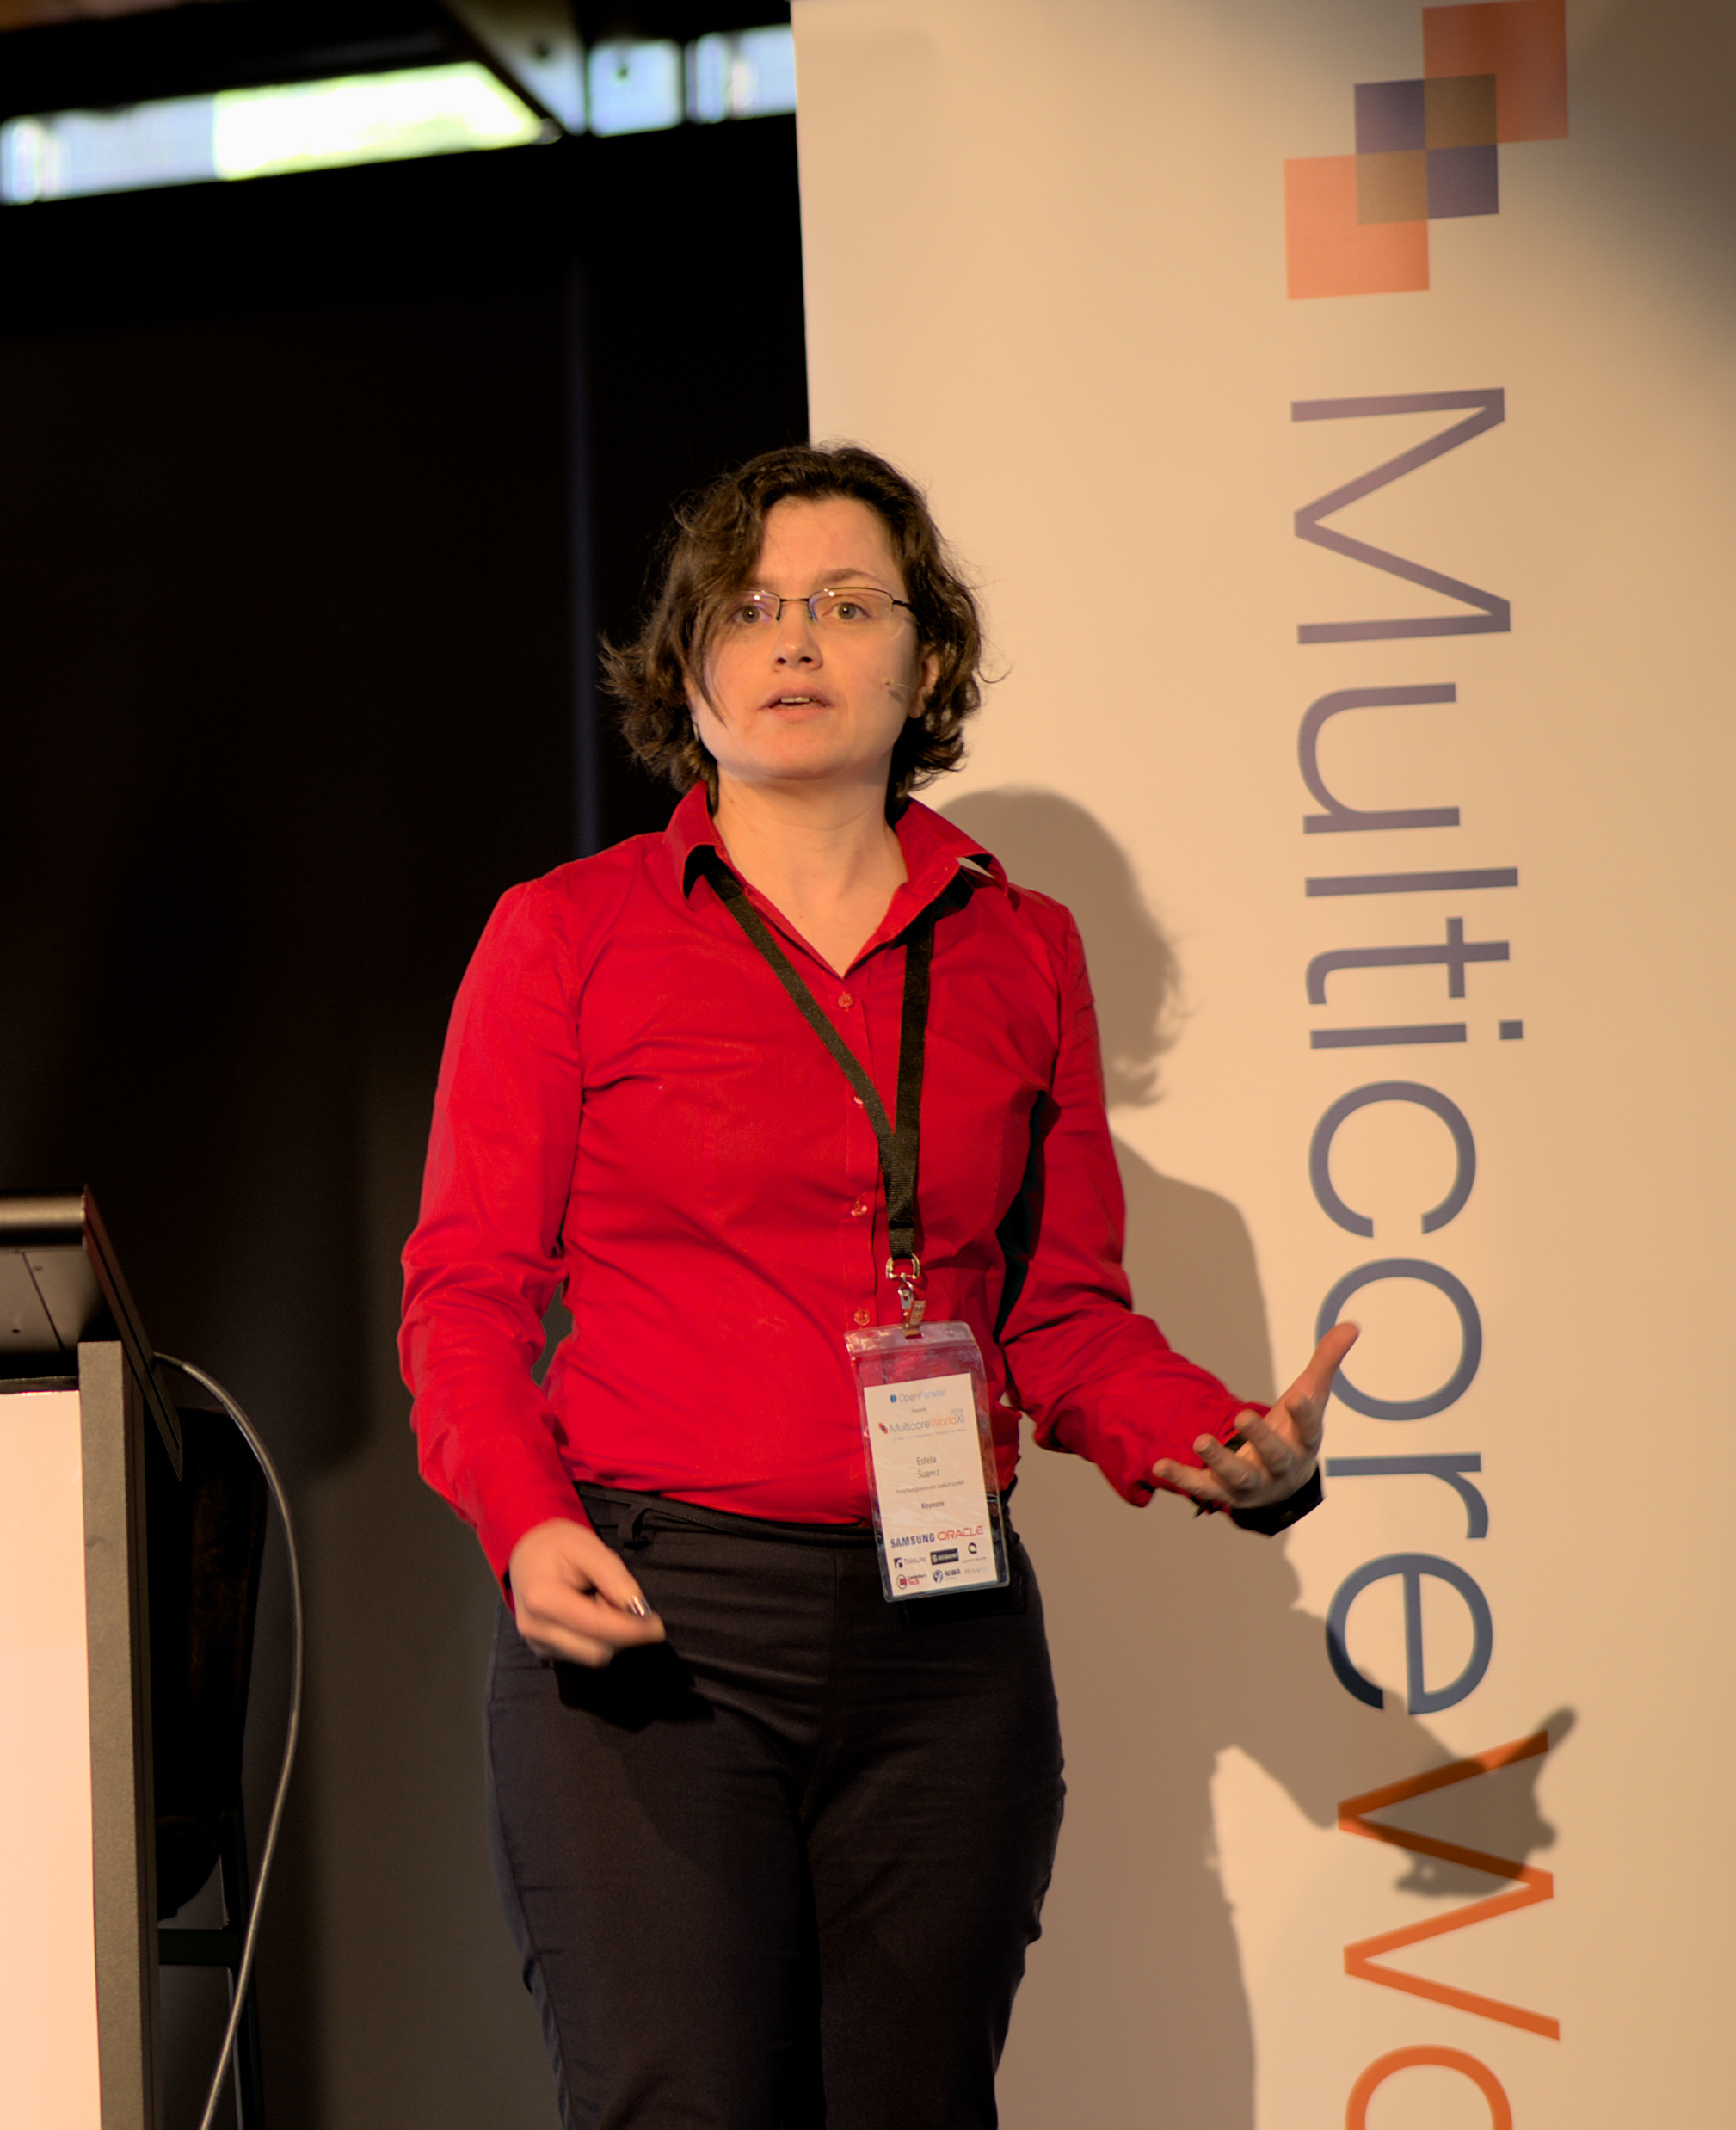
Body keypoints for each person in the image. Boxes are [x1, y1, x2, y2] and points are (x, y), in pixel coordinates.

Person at [397, 442, 1355, 2128]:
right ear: (687, 662)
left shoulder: (1021, 947)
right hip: (656, 1626)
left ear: (925, 660)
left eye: (847, 604)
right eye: (751, 606)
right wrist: (525, 1522)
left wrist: (1211, 1438)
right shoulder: (568, 934)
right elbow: (466, 1291)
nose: (794, 639)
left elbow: (1061, 1314)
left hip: (943, 1641)